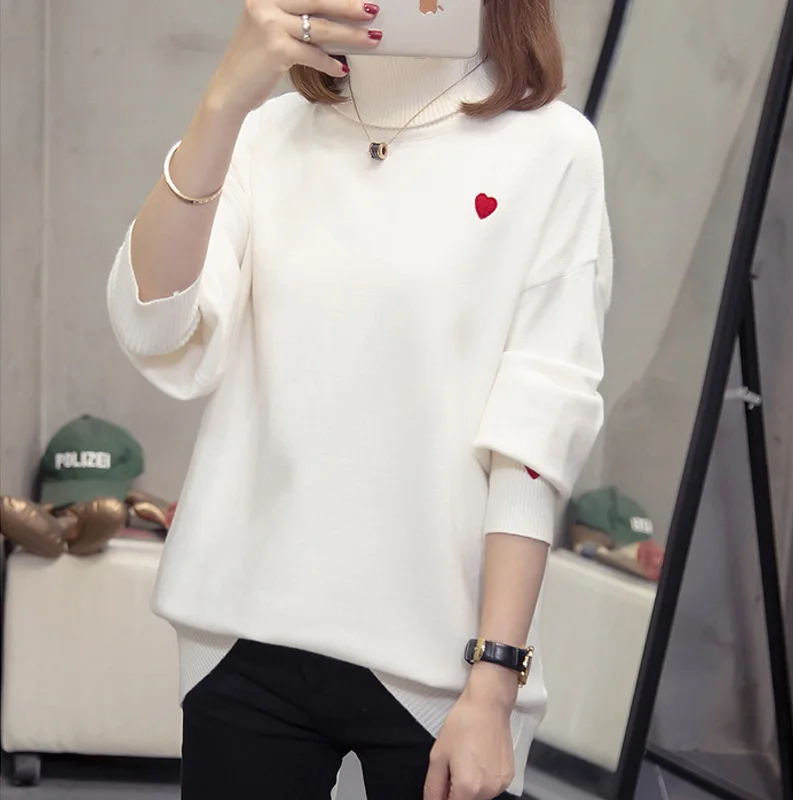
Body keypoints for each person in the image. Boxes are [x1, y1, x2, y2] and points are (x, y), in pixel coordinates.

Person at [107, 1, 612, 798]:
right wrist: (223, 101)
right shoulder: (267, 135)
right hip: (243, 634)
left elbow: (536, 430)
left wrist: (495, 681)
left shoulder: (553, 151)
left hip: (447, 663)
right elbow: (157, 325)